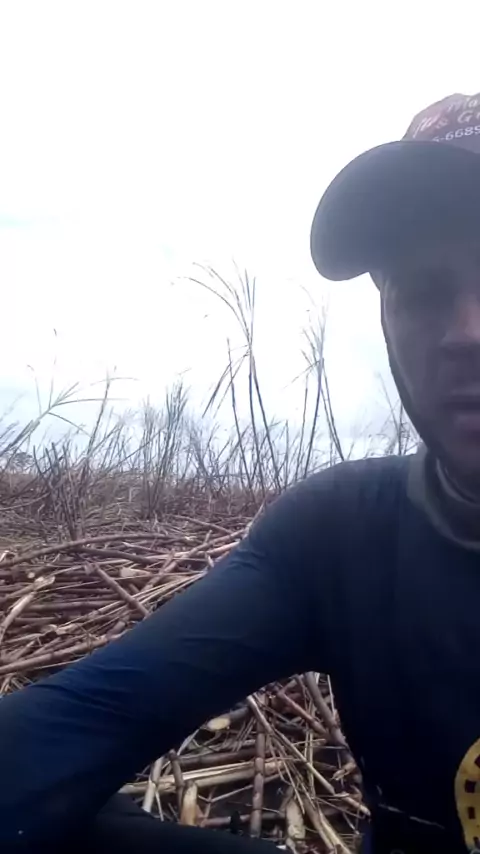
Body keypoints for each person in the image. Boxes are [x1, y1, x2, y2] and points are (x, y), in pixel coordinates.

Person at [2, 91, 480, 854]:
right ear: (386, 322)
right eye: (424, 291)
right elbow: (75, 725)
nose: (468, 333)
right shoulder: (343, 535)